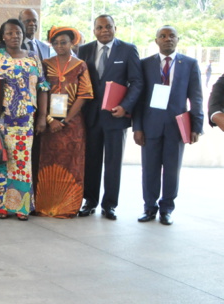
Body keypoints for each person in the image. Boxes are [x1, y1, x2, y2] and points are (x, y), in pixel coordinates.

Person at [0, 18, 49, 220]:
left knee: (22, 163)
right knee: (0, 160)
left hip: (25, 121)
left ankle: (21, 206)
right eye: (9, 33)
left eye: (18, 32)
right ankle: (0, 204)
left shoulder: (33, 58)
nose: (14, 36)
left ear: (23, 35)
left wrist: (42, 116)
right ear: (3, 36)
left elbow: (43, 88)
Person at [132, 26, 203, 226]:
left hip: (176, 127)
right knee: (149, 169)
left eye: (171, 36)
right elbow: (138, 98)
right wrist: (137, 127)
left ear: (178, 39)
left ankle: (167, 209)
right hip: (150, 125)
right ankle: (149, 208)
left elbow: (196, 97)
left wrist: (196, 126)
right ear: (156, 41)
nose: (167, 39)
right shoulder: (145, 64)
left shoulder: (189, 64)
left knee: (172, 170)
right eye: (163, 36)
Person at [76, 14, 143, 220]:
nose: (104, 30)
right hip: (91, 116)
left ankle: (110, 205)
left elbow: (137, 82)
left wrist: (125, 106)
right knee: (91, 161)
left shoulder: (128, 49)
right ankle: (90, 201)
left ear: (115, 28)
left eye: (108, 27)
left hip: (116, 116)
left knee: (113, 162)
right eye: (99, 27)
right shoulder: (84, 50)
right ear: (94, 30)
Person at [33, 27, 93, 218]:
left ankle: (68, 206)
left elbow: (84, 95)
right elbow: (40, 91)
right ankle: (44, 205)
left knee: (71, 164)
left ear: (72, 43)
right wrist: (50, 119)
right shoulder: (44, 64)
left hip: (72, 125)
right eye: (56, 42)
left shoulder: (80, 65)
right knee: (46, 161)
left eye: (64, 42)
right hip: (48, 124)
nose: (60, 46)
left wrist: (65, 121)